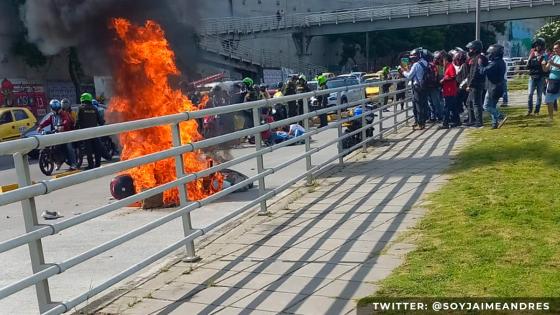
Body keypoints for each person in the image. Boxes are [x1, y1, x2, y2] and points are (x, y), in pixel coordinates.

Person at [38, 99, 78, 170]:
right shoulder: (52, 116)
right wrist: (40, 126)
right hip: (56, 134)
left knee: (69, 147)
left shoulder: (63, 113)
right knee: (52, 147)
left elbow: (66, 120)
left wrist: (63, 125)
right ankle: (58, 162)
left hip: (66, 133)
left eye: (58, 109)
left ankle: (74, 163)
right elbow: (47, 121)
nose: (56, 111)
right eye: (54, 109)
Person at [480, 44, 507, 129]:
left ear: (495, 53)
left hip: (493, 88)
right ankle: (494, 124)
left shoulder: (495, 63)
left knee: (486, 106)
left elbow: (483, 71)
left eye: (490, 53)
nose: (489, 55)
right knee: (493, 106)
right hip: (499, 87)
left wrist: (480, 65)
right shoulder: (501, 62)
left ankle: (500, 116)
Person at [76, 93, 104, 169]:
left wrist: (75, 130)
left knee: (89, 149)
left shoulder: (81, 108)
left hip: (85, 133)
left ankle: (91, 165)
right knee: (97, 148)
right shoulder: (95, 108)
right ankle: (97, 164)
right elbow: (101, 121)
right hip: (95, 132)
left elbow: (78, 121)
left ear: (82, 99)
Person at [404, 48, 429, 130]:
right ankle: (422, 121)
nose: (412, 59)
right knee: (424, 103)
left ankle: (420, 123)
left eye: (412, 58)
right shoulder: (425, 62)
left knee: (418, 105)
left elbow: (409, 76)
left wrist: (402, 71)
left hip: (417, 86)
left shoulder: (416, 65)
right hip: (425, 85)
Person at [465, 40, 488, 128]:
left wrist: (469, 85)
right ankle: (472, 120)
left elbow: (475, 73)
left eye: (470, 49)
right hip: (475, 84)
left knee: (476, 103)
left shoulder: (479, 58)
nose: (469, 51)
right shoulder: (476, 58)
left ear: (475, 49)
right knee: (469, 102)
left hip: (476, 84)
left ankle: (479, 122)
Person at [526, 38, 548, 116]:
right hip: (532, 77)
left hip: (541, 78)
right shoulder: (532, 54)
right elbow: (527, 66)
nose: (537, 47)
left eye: (539, 46)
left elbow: (546, 68)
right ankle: (529, 110)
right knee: (530, 94)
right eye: (536, 45)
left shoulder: (545, 55)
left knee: (539, 95)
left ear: (542, 46)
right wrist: (530, 59)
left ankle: (536, 111)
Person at [440, 51, 460, 129]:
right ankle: (457, 121)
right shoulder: (448, 66)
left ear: (446, 60)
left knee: (447, 107)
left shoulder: (450, 66)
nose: (443, 62)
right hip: (449, 90)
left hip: (450, 90)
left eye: (443, 60)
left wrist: (444, 79)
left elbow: (453, 76)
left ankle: (445, 123)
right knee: (453, 107)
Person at [543, 40, 560, 122]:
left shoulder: (554, 59)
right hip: (553, 81)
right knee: (549, 99)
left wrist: (553, 64)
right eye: (554, 49)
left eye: (556, 48)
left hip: (558, 81)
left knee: (550, 99)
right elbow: (546, 69)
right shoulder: (553, 57)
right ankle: (550, 118)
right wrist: (543, 65)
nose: (554, 50)